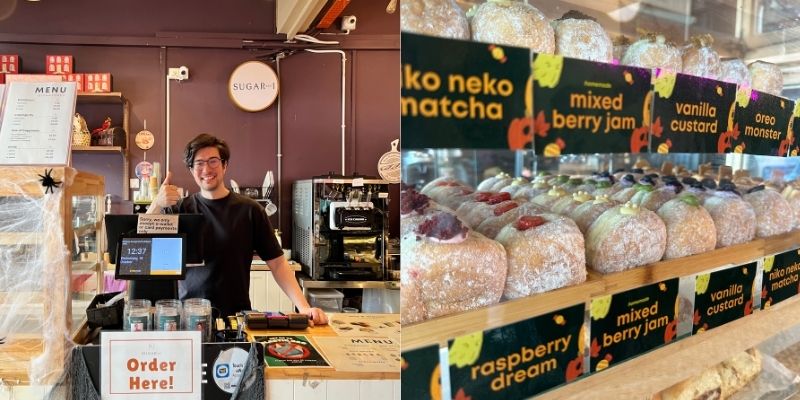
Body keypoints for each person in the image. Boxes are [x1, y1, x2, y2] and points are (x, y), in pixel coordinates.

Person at [148, 133, 328, 325]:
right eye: (199, 163)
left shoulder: (250, 210)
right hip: (188, 317)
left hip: (235, 318)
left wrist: (303, 307)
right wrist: (156, 205)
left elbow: (277, 263)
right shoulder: (180, 209)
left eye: (213, 161)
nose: (206, 169)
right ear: (191, 170)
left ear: (225, 165)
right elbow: (139, 245)